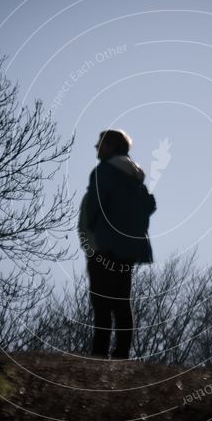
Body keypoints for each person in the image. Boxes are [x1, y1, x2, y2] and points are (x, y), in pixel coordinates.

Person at [79, 129, 156, 359]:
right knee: (122, 300)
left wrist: (91, 229)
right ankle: (122, 353)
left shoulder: (103, 172)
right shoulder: (135, 178)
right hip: (129, 248)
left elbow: (94, 204)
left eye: (100, 144)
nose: (96, 148)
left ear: (111, 146)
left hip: (104, 245)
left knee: (101, 300)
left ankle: (99, 352)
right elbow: (149, 205)